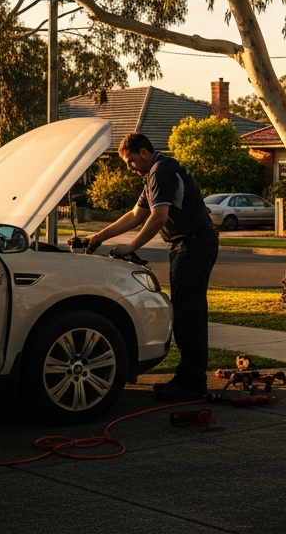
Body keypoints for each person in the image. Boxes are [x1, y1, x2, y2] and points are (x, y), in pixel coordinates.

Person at [85, 133, 219, 401]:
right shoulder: (154, 175)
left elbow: (159, 217)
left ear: (144, 153)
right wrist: (98, 237)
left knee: (188, 316)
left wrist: (131, 247)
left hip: (192, 245)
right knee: (182, 313)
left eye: (131, 161)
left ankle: (193, 385)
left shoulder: (161, 171)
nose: (129, 168)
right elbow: (136, 215)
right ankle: (186, 378)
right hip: (188, 245)